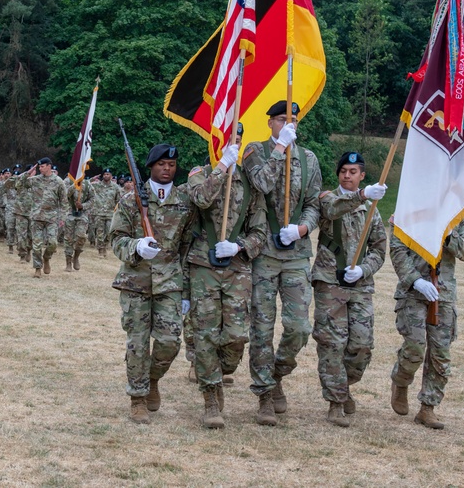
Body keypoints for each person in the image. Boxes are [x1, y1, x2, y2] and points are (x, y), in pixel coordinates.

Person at [242, 100, 322, 426]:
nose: (288, 125)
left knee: (299, 328)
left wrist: (302, 228)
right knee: (261, 326)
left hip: (296, 253)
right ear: (270, 123)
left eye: (293, 120)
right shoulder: (255, 151)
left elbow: (315, 203)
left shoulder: (310, 158)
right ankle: (263, 393)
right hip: (262, 252)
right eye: (281, 120)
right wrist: (279, 148)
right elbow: (262, 183)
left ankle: (276, 374)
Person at [185, 127, 268, 428]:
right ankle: (210, 397)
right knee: (206, 334)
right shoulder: (199, 173)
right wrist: (221, 167)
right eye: (227, 139)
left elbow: (261, 232)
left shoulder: (249, 183)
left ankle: (219, 374)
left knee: (235, 336)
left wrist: (240, 245)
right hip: (203, 266)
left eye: (237, 140)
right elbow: (201, 199)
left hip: (236, 268)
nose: (232, 145)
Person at [110, 144, 196, 424]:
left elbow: (186, 245)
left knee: (170, 341)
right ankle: (137, 398)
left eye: (171, 164)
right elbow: (116, 240)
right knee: (137, 343)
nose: (167, 169)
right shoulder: (130, 200)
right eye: (161, 164)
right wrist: (136, 246)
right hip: (136, 281)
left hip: (169, 282)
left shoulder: (185, 200)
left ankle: (152, 379)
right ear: (150, 167)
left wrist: (185, 288)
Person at [312, 151, 388, 427]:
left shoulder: (372, 210)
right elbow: (333, 210)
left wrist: (364, 269)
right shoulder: (327, 198)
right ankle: (335, 401)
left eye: (353, 171)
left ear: (362, 175)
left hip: (360, 284)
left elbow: (380, 249)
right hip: (329, 280)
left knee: (361, 345)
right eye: (343, 170)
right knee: (332, 343)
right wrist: (363, 195)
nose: (347, 175)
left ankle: (344, 386)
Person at [389, 213, 464, 430]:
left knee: (440, 354)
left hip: (443, 293)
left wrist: (448, 234)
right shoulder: (413, 207)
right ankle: (401, 381)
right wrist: (415, 280)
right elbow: (397, 250)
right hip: (413, 291)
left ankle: (427, 407)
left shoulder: (459, 213)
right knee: (415, 346)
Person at [19, 158, 67, 277]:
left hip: (52, 218)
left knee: (52, 243)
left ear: (49, 166)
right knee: (36, 245)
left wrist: (63, 218)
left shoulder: (58, 181)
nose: (40, 169)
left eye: (42, 166)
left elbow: (64, 202)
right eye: (39, 167)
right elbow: (19, 184)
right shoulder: (35, 180)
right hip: (37, 217)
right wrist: (28, 172)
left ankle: (46, 258)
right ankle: (37, 269)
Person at [63, 178, 95, 272]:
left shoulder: (87, 184)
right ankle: (68, 262)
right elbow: (65, 195)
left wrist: (83, 206)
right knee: (68, 238)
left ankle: (76, 256)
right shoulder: (67, 182)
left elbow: (92, 199)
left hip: (82, 214)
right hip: (70, 213)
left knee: (81, 236)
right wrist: (75, 185)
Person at [90, 169, 122, 257]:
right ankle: (100, 249)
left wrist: (118, 212)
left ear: (111, 176)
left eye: (108, 174)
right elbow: (84, 184)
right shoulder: (97, 185)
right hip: (99, 212)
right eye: (105, 174)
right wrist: (92, 179)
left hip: (110, 213)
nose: (106, 176)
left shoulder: (115, 187)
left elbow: (118, 200)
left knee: (109, 232)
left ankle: (105, 245)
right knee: (99, 232)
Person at [12, 167, 34, 263]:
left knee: (32, 235)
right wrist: (27, 173)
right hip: (21, 212)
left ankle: (29, 250)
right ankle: (22, 255)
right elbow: (19, 182)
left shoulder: (37, 183)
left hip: (33, 213)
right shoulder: (20, 182)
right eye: (31, 171)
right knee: (21, 235)